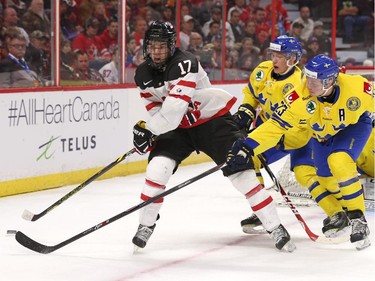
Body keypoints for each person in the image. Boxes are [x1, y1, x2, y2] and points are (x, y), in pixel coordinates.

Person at [131, 21, 296, 252]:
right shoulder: (142, 74)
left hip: (212, 122)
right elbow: (157, 111)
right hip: (178, 130)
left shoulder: (184, 63)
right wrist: (147, 134)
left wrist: (149, 129)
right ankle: (145, 225)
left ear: (171, 46)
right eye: (153, 46)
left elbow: (173, 110)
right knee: (157, 169)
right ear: (146, 47)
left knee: (242, 174)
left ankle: (275, 226)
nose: (157, 52)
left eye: (162, 46)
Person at [227, 54, 373, 250]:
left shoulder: (357, 88)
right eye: (308, 78)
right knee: (325, 179)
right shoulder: (298, 97)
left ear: (330, 80)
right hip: (321, 135)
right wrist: (247, 146)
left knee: (339, 161)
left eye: (315, 81)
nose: (309, 85)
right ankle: (342, 214)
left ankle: (358, 219)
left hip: (353, 127)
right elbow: (275, 126)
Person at [232, 36, 316, 234]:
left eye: (281, 56)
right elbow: (252, 95)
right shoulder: (263, 71)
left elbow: (302, 118)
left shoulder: (301, 84)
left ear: (294, 58)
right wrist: (246, 111)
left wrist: (269, 136)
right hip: (272, 131)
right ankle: (262, 211)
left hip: (299, 135)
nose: (275, 59)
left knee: (308, 177)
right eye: (273, 54)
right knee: (248, 161)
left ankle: (338, 213)